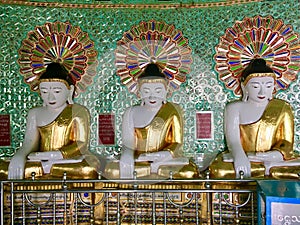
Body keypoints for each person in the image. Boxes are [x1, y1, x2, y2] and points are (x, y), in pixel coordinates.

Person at [0, 62, 99, 180]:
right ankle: (47, 167)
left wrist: (54, 155)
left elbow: (81, 144)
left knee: (89, 168)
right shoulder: (35, 113)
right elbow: (29, 142)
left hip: (67, 161)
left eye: (57, 91)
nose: (50, 98)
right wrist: (20, 156)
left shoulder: (78, 111)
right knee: (4, 168)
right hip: (41, 160)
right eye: (45, 92)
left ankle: (45, 168)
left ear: (70, 90)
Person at [209, 58, 300, 179]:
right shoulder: (234, 108)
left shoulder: (283, 107)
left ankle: (267, 171)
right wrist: (239, 157)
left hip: (275, 160)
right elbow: (233, 141)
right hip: (247, 157)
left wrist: (274, 155)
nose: (262, 91)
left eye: (268, 86)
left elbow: (287, 143)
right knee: (219, 170)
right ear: (244, 86)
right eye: (256, 86)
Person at [105, 63, 198, 179]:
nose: (152, 96)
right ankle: (151, 169)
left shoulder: (173, 110)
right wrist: (127, 157)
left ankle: (150, 169)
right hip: (139, 160)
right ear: (139, 92)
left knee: (187, 172)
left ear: (166, 91)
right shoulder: (131, 112)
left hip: (164, 161)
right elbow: (128, 144)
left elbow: (177, 143)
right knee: (111, 170)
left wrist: (164, 154)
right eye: (147, 91)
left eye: (158, 91)